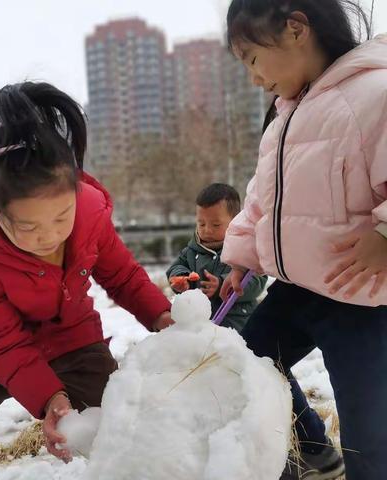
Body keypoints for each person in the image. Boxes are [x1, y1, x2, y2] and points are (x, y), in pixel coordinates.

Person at [0, 82, 173, 480]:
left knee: (123, 413)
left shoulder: (90, 215)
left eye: (61, 216)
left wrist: (162, 316)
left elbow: (123, 276)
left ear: (77, 190)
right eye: (29, 226)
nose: (49, 235)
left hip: (71, 332)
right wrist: (51, 397)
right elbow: (0, 341)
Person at [221, 1, 387, 479]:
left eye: (252, 59)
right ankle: (308, 450)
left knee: (369, 430)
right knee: (246, 365)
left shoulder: (374, 94)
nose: (253, 77)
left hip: (361, 301)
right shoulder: (286, 117)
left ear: (296, 28)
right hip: (298, 289)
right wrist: (241, 257)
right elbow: (261, 202)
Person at [166, 183, 266, 331]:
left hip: (236, 324)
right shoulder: (192, 251)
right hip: (199, 325)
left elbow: (257, 281)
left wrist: (222, 284)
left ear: (235, 221)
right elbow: (175, 268)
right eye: (201, 224)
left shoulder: (243, 250)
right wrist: (181, 278)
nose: (207, 230)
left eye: (216, 225)